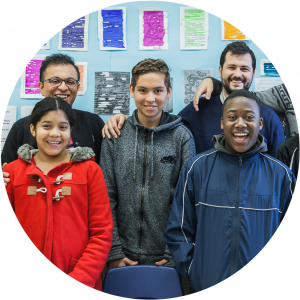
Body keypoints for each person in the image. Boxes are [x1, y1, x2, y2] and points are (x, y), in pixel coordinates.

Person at [163, 89, 296, 294]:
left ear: (260, 124)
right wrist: (195, 270)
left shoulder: (281, 176)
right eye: (232, 117)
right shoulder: (196, 169)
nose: (240, 124)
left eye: (249, 117)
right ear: (222, 122)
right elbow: (178, 230)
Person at [100, 59, 195, 295]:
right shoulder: (115, 134)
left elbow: (186, 202)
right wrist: (114, 252)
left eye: (158, 91)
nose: (150, 99)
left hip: (168, 259)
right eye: (142, 90)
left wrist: (173, 252)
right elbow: (105, 197)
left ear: (169, 92)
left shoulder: (182, 137)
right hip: (121, 257)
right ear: (131, 90)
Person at [4, 97, 113, 292]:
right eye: (46, 126)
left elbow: (101, 233)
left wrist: (81, 277)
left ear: (70, 131)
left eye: (63, 127)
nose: (54, 133)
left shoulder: (90, 170)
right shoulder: (13, 172)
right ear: (32, 129)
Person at [102, 42, 285, 158]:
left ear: (253, 73)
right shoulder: (198, 108)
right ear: (220, 71)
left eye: (244, 69)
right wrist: (125, 120)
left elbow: (277, 172)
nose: (237, 74)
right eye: (232, 67)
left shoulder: (268, 118)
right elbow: (160, 123)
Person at [2, 53, 105, 186]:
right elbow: (7, 172)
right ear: (41, 87)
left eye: (70, 82)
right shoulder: (21, 127)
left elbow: (108, 173)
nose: (63, 87)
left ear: (77, 87)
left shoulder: (94, 123)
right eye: (55, 81)